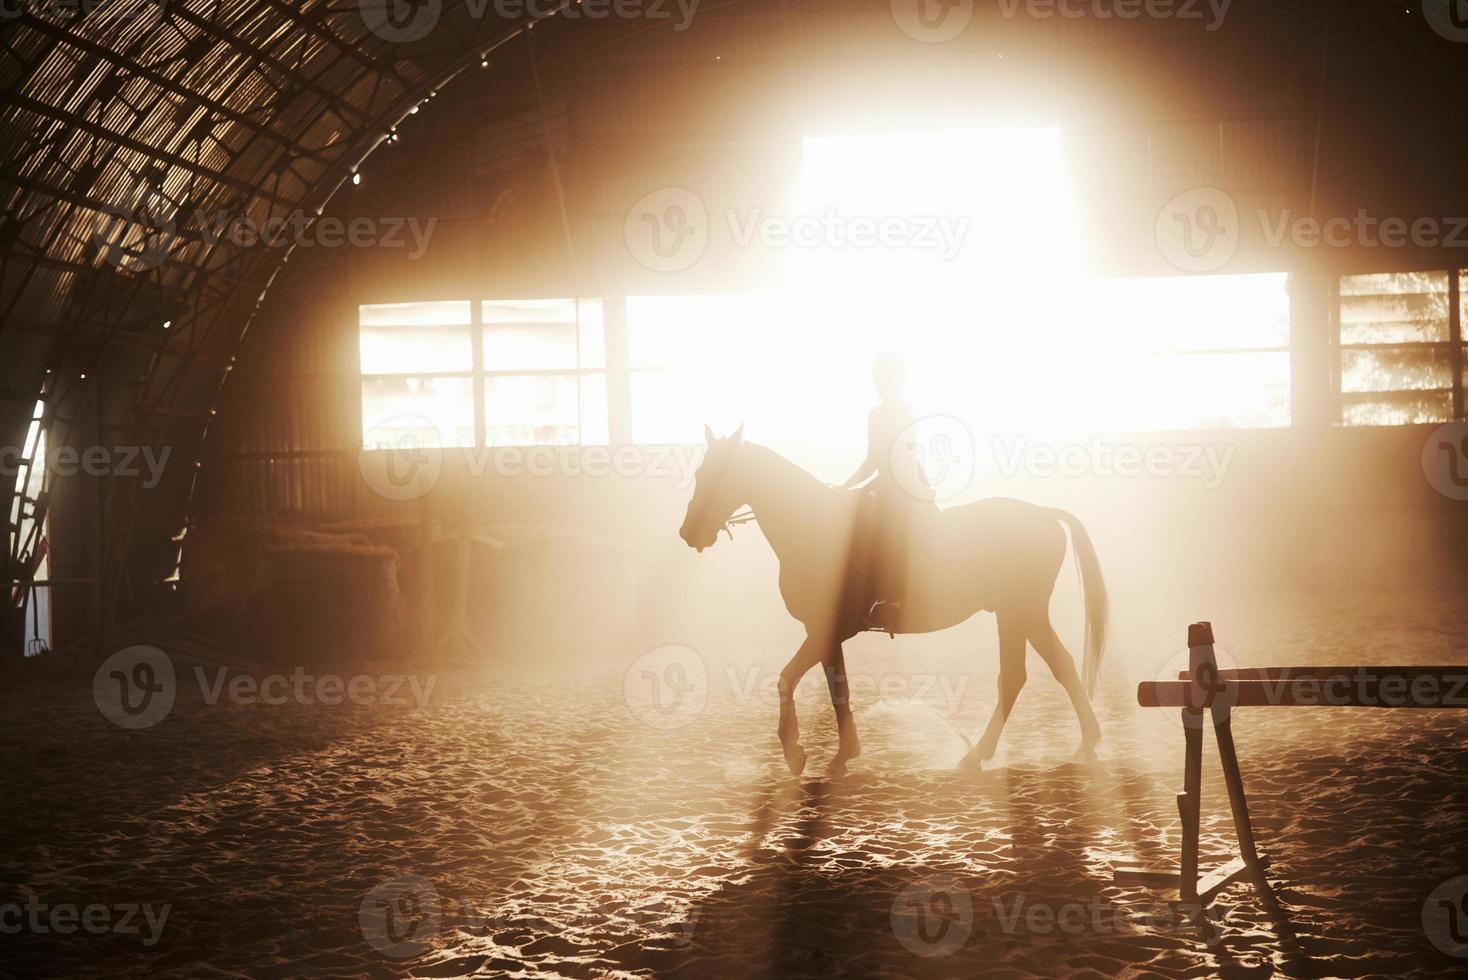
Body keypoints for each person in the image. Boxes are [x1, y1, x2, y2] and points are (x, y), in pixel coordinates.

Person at [836, 353, 935, 631]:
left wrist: (859, 487)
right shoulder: (889, 412)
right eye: (880, 378)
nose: (883, 383)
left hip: (902, 487)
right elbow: (876, 460)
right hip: (898, 483)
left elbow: (889, 460)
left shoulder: (892, 413)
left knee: (882, 534)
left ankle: (893, 604)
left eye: (886, 377)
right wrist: (848, 487)